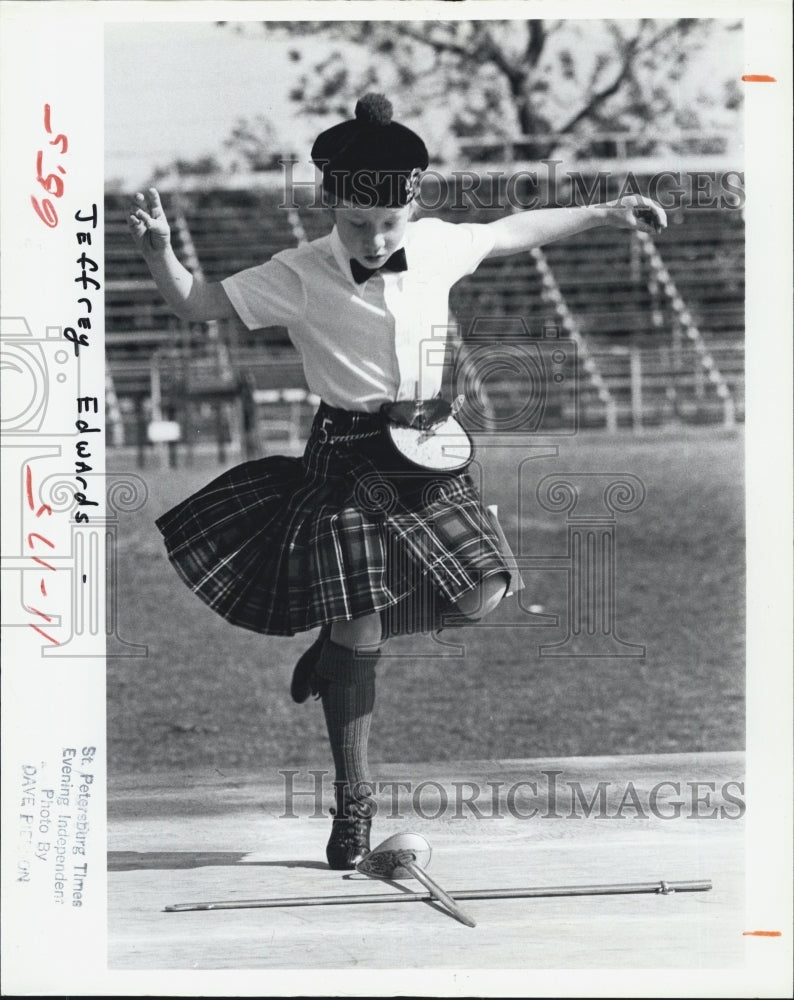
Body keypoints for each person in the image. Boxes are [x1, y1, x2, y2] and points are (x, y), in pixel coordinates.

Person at [128, 93, 666, 870]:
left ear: (414, 202)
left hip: (432, 448)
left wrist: (609, 208)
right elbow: (198, 304)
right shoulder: (298, 272)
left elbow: (517, 229)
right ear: (329, 202)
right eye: (357, 225)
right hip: (346, 459)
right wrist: (159, 252)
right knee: (362, 622)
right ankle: (354, 806)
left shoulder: (441, 245)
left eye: (389, 224)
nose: (376, 240)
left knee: (482, 591)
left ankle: (334, 642)